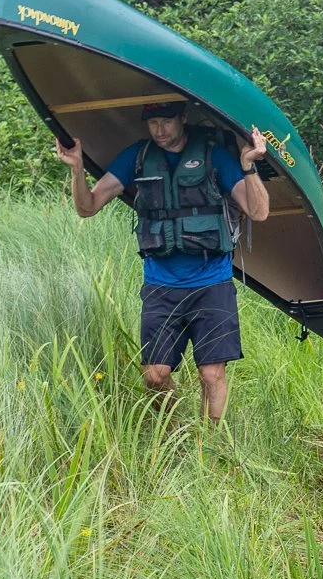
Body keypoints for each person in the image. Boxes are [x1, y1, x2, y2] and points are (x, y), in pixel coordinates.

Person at [53, 101, 270, 421]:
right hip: (161, 285)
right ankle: (177, 430)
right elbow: (88, 207)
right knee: (154, 375)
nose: (159, 130)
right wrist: (76, 167)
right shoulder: (137, 158)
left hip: (211, 283)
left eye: (166, 121)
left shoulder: (215, 157)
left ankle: (211, 448)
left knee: (211, 376)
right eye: (152, 122)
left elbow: (259, 211)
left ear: (183, 117)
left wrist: (249, 165)